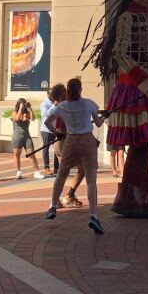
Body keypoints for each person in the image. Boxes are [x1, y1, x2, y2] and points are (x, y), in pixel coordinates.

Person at [81, 0, 148, 218]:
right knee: (141, 144)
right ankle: (128, 197)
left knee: (145, 144)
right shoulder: (127, 18)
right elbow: (120, 53)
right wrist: (142, 79)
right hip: (135, 87)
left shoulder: (146, 16)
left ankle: (147, 190)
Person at [42, 78, 106, 233]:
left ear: (68, 91)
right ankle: (93, 215)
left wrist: (56, 133)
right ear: (80, 89)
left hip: (70, 141)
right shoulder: (89, 104)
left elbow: (47, 122)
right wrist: (105, 116)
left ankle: (53, 207)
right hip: (87, 140)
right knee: (91, 180)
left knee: (62, 174)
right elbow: (98, 123)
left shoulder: (62, 106)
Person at [10, 98, 44, 180]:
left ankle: (37, 172)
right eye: (22, 104)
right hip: (17, 136)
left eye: (24, 104)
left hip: (27, 136)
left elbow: (32, 118)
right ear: (18, 105)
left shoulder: (27, 113)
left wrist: (30, 108)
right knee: (17, 154)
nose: (23, 106)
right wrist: (20, 109)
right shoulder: (14, 113)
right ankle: (18, 172)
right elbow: (17, 118)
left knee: (31, 154)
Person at [39, 84, 64, 176]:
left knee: (56, 148)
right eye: (51, 94)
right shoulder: (44, 104)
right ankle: (46, 168)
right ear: (48, 94)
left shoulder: (58, 102)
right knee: (46, 148)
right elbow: (46, 115)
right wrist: (54, 105)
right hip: (46, 130)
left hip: (56, 129)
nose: (53, 96)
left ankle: (57, 168)